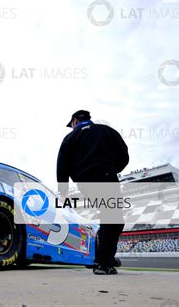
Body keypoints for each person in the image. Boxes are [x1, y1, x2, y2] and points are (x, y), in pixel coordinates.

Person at [57, 110, 129, 275]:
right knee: (113, 219)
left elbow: (62, 165)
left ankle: (104, 259)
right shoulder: (105, 130)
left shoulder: (69, 138)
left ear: (75, 121)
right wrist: (113, 168)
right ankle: (103, 262)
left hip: (85, 181)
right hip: (106, 176)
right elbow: (124, 154)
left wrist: (64, 191)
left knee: (111, 218)